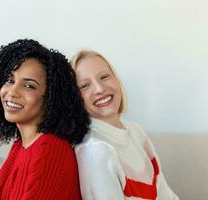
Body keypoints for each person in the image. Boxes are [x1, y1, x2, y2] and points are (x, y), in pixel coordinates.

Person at [0, 39, 90, 200]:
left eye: (29, 86)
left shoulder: (50, 148)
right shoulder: (21, 145)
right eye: (10, 80)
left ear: (50, 98)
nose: (13, 92)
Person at [71, 50, 179, 200]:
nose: (100, 89)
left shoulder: (136, 131)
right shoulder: (94, 152)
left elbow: (167, 195)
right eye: (84, 86)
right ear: (75, 99)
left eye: (104, 77)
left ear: (116, 79)